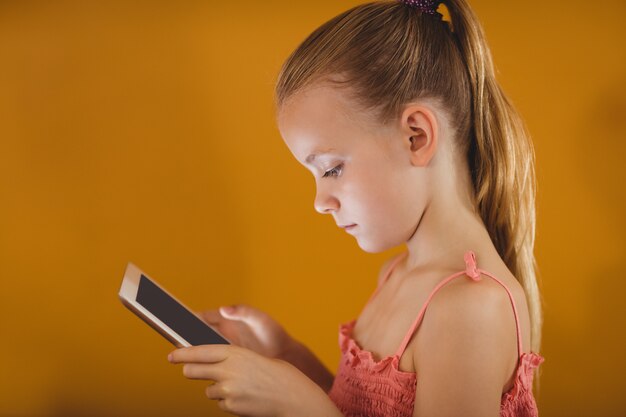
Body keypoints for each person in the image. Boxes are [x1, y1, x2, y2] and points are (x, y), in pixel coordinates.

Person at [167, 0, 546, 415]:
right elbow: (361, 408)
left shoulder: (471, 309)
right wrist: (286, 355)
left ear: (415, 136)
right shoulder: (397, 275)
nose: (319, 203)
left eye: (331, 169)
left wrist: (301, 409)